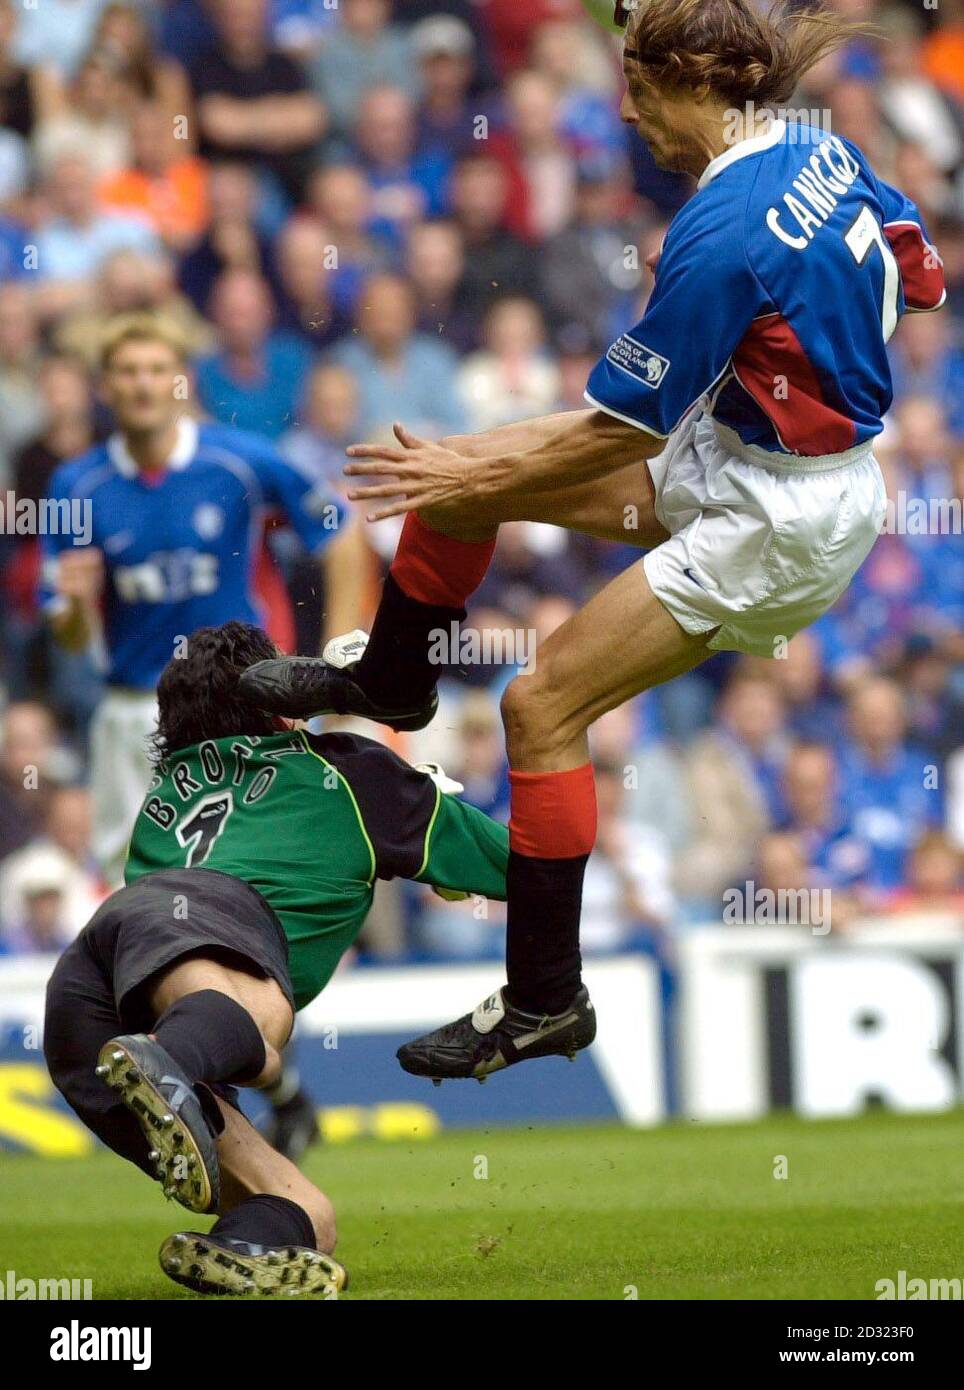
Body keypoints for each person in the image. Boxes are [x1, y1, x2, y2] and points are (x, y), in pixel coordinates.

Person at [239, 0, 946, 1082]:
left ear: (692, 88)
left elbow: (618, 428)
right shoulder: (818, 145)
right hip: (759, 453)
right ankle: (392, 682)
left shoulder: (716, 233)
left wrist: (479, 466)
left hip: (778, 515)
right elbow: (917, 263)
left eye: (638, 93)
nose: (630, 118)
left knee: (537, 703)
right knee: (467, 483)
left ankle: (543, 997)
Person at [43, 620, 512, 1295]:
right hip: (193, 976)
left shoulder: (164, 794)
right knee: (262, 1011)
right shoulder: (347, 773)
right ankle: (172, 1062)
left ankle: (237, 1247)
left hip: (88, 1003)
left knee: (309, 1219)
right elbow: (526, 866)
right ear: (282, 697)